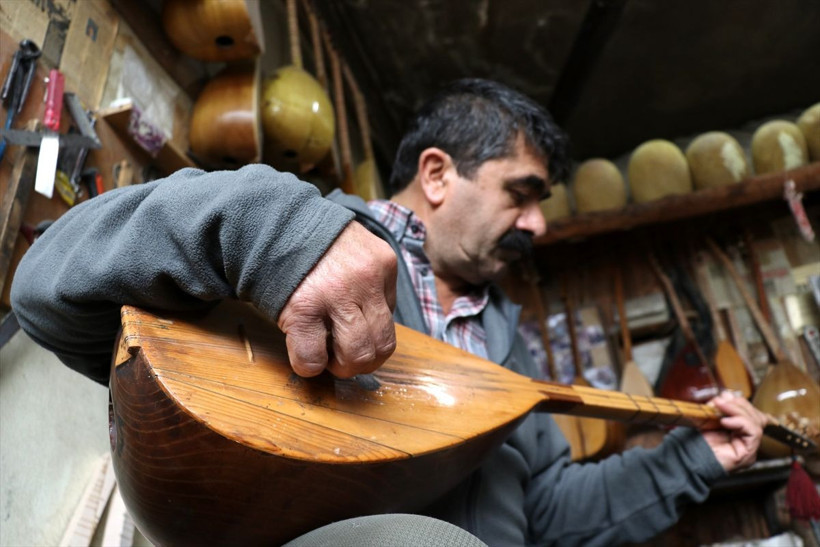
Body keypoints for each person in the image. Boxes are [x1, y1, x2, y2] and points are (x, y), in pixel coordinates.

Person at [10, 78, 767, 546]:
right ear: (436, 175)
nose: (539, 224)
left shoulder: (510, 348)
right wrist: (282, 236)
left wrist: (697, 459)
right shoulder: (298, 253)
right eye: (522, 193)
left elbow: (547, 514)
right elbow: (45, 283)